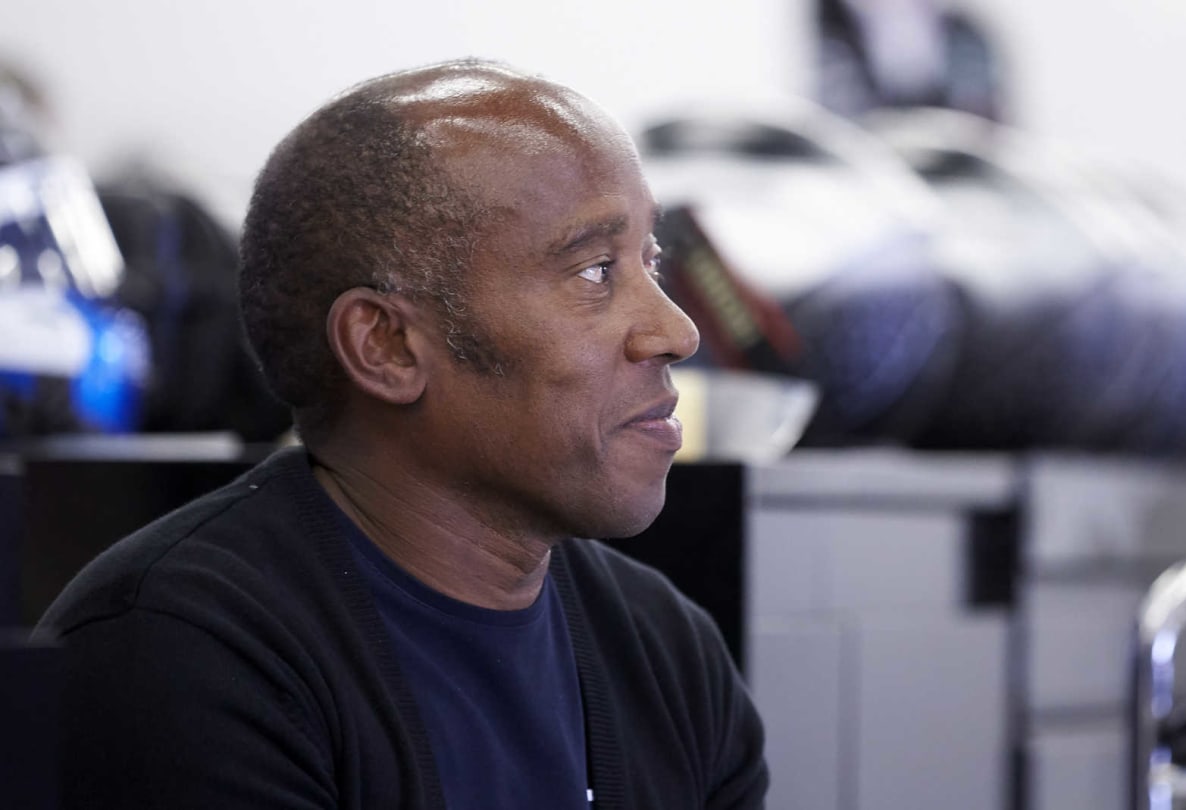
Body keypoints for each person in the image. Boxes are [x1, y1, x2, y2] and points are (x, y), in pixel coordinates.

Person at [35, 59, 768, 809]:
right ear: (385, 346)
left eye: (651, 260)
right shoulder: (184, 655)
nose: (675, 331)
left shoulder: (667, 652)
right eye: (594, 271)